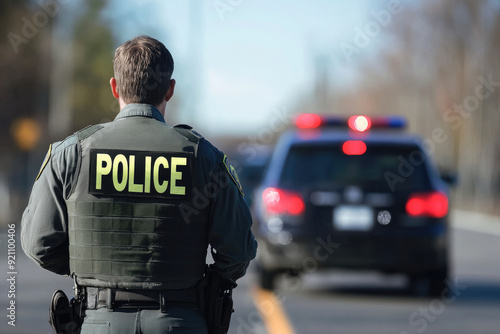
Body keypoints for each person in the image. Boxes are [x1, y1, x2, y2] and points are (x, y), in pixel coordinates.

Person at [21, 35, 257, 334]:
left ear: (115, 87)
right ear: (169, 90)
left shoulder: (70, 154)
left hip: (98, 321)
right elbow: (237, 252)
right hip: (181, 320)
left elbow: (39, 245)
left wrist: (92, 266)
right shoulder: (205, 158)